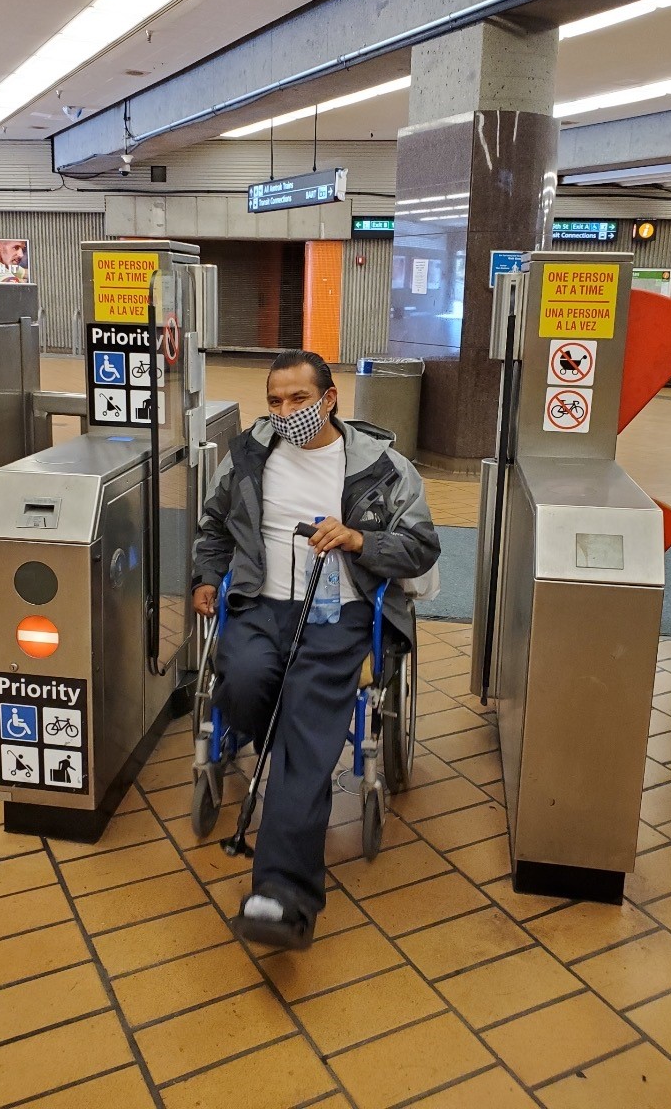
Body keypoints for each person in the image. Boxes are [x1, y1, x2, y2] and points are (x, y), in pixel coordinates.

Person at [191, 349, 440, 950]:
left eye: (299, 399)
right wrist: (206, 575)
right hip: (259, 604)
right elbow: (215, 526)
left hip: (339, 614)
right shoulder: (249, 457)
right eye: (275, 401)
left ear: (329, 399)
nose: (286, 412)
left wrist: (359, 538)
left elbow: (422, 548)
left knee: (304, 724)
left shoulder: (383, 467)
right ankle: (294, 762)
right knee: (246, 682)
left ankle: (283, 896)